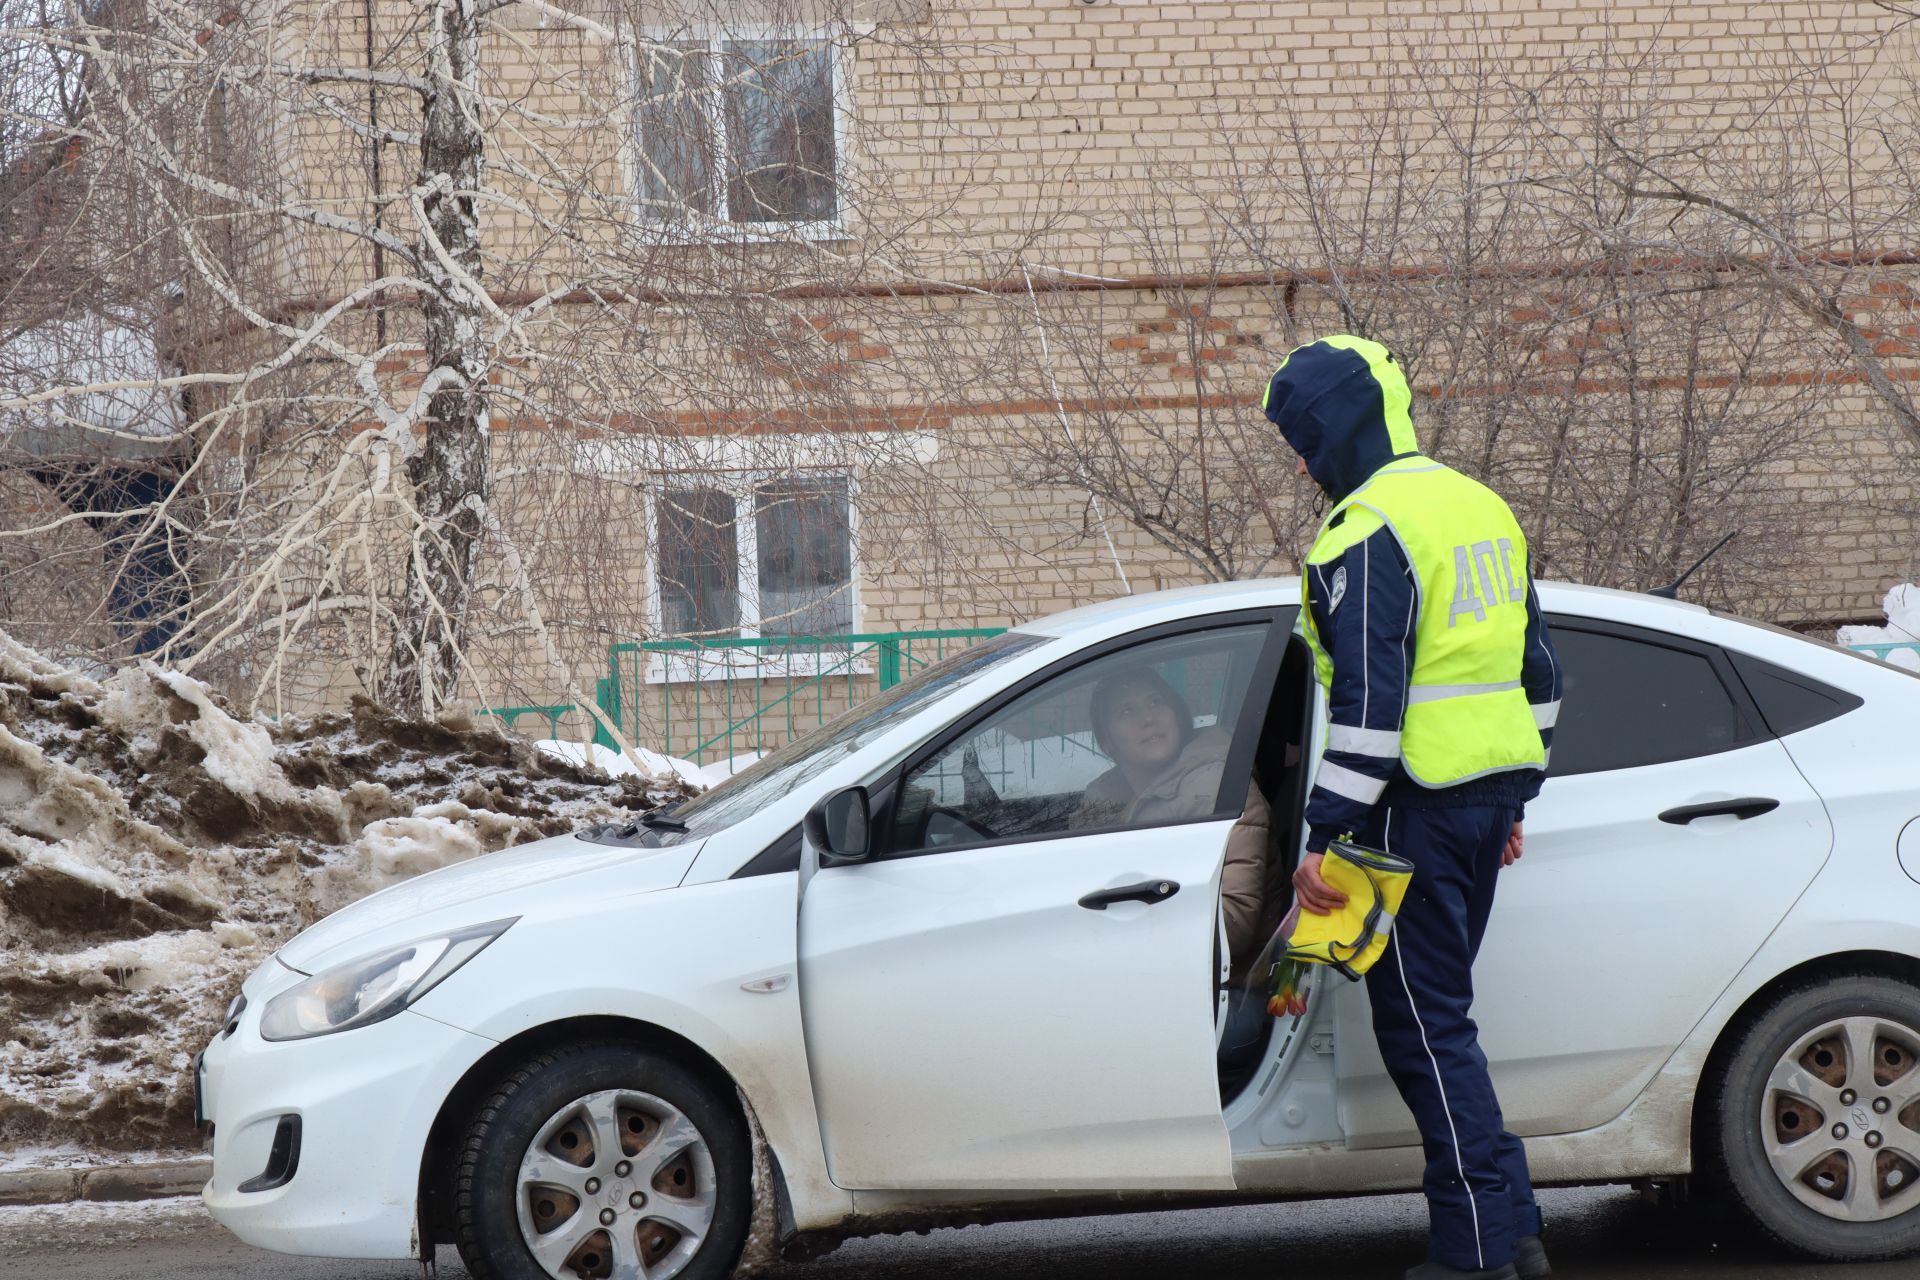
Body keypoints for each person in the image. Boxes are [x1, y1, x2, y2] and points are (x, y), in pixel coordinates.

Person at [1263, 335, 1563, 1280]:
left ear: (1342, 428)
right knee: (1446, 1022)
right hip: (1479, 803)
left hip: (1408, 811)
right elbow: (1542, 679)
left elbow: (1369, 710)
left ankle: (1474, 1250)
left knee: (1425, 1030)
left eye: (1306, 441)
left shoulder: (1363, 531)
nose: (1305, 464)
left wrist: (1323, 837)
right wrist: (1514, 797)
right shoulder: (1481, 509)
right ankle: (1513, 1228)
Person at [1070, 667, 1274, 975]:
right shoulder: (1102, 802)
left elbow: (1233, 923)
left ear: (1178, 716)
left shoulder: (1218, 787)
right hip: (1151, 973)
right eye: (1127, 710)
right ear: (1106, 741)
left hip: (1226, 989)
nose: (1148, 718)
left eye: (1156, 702)